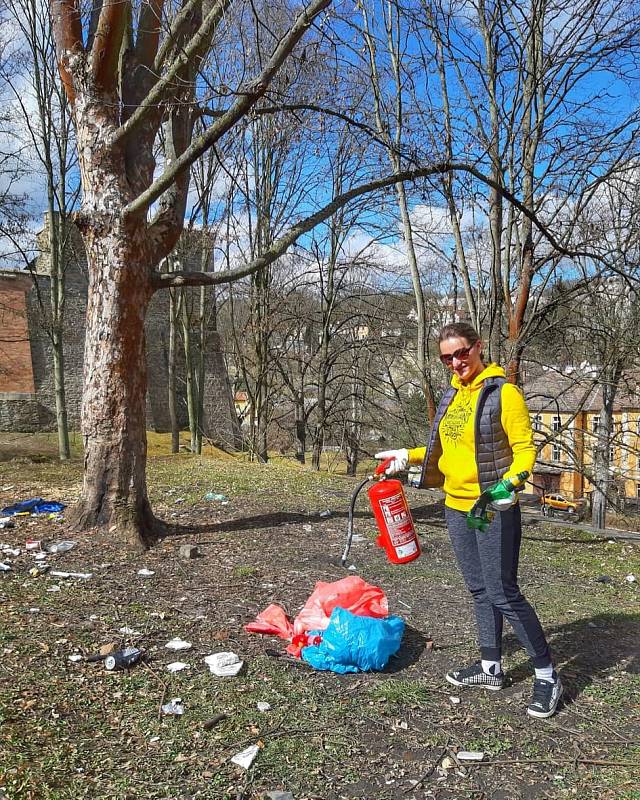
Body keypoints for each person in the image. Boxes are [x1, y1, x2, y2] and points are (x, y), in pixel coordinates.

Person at [375, 322, 563, 719]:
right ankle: (491, 666)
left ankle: (546, 674)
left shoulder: (503, 393)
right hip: (457, 506)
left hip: (491, 507)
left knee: (503, 591)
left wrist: (511, 483)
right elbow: (443, 448)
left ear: (478, 347)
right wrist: (406, 456)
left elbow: (525, 451)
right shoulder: (452, 395)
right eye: (447, 357)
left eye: (462, 353)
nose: (456, 363)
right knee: (479, 588)